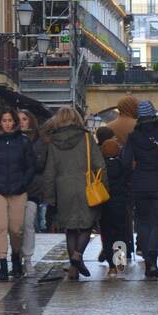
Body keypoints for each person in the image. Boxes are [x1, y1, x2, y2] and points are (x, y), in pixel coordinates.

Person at [42, 107, 107, 280]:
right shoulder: (86, 138)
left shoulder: (53, 142)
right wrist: (104, 186)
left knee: (70, 228)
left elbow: (49, 171)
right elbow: (99, 164)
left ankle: (73, 268)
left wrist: (49, 197)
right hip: (86, 187)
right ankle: (78, 255)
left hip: (63, 189)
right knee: (86, 225)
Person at [0, 107, 37, 281]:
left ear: (15, 122)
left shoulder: (24, 141)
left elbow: (31, 166)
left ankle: (16, 255)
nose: (7, 124)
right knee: (0, 226)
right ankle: (3, 263)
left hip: (18, 190)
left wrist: (23, 184)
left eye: (10, 120)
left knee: (16, 229)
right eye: (4, 121)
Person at [121, 100, 158, 280]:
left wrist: (130, 179)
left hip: (139, 185)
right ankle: (153, 258)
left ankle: (147, 256)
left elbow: (126, 162)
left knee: (143, 222)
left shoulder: (133, 137)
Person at [96, 124, 132, 276]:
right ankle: (120, 262)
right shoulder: (123, 165)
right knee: (120, 233)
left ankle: (111, 266)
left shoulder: (100, 168)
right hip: (120, 205)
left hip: (104, 205)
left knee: (107, 234)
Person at [18, 108, 47, 276]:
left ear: (31, 121)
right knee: (15, 227)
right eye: (19, 119)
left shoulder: (39, 141)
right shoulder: (11, 138)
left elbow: (41, 163)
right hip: (13, 187)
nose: (21, 121)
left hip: (32, 188)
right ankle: (16, 256)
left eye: (25, 118)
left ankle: (27, 258)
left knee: (28, 224)